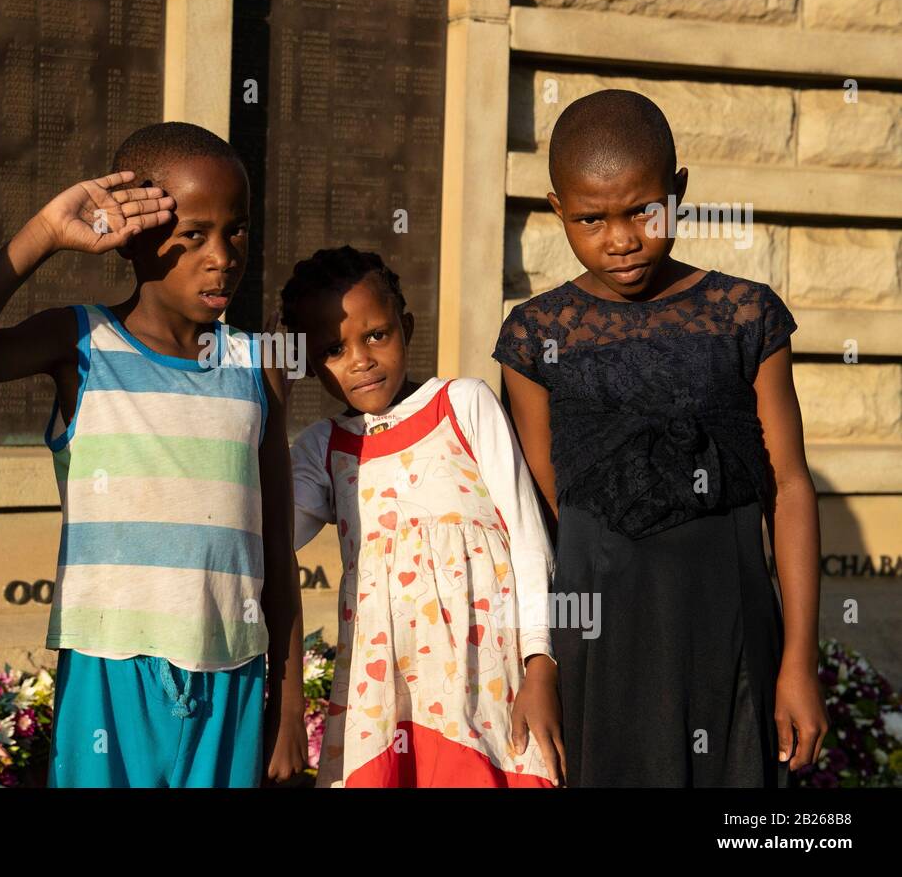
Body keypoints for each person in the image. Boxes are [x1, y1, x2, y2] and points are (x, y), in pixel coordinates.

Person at [0, 122, 308, 787]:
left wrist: (289, 706)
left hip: (232, 676)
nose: (222, 256)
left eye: (236, 230)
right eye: (193, 235)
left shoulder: (257, 366)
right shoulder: (79, 342)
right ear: (133, 237)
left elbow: (277, 553)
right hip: (108, 670)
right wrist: (43, 234)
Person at [492, 89, 828, 786]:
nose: (621, 238)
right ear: (558, 210)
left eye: (642, 210)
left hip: (730, 626)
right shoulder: (534, 337)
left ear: (678, 191)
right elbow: (533, 517)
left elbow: (790, 485)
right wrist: (539, 662)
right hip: (600, 639)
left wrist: (799, 660)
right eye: (591, 219)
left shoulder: (746, 316)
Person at [283, 246, 561, 787]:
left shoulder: (463, 404)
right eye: (333, 350)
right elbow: (268, 536)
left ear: (406, 327)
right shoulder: (325, 447)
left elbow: (530, 540)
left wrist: (541, 664)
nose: (360, 360)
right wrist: (274, 392)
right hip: (383, 702)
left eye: (376, 336)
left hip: (486, 690)